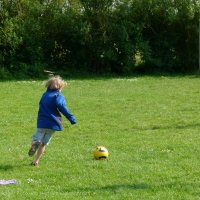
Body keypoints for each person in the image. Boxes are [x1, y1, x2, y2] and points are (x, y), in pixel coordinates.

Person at [28, 75, 76, 166]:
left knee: (37, 139)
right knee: (43, 144)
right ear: (60, 87)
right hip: (53, 123)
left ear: (48, 85)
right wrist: (71, 118)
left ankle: (35, 143)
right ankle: (36, 161)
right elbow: (62, 106)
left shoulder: (45, 95)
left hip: (42, 122)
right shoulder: (58, 95)